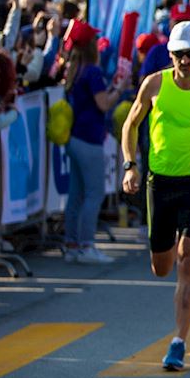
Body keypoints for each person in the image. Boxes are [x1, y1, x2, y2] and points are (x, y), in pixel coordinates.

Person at [119, 20, 190, 371]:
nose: (185, 61)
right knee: (161, 267)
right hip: (160, 182)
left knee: (188, 256)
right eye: (179, 55)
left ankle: (179, 341)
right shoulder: (154, 84)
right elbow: (131, 123)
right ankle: (177, 329)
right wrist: (130, 165)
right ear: (170, 54)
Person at [60, 22, 121, 264]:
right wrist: (120, 89)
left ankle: (73, 245)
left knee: (76, 194)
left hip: (75, 138)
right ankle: (86, 245)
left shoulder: (75, 69)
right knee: (94, 193)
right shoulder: (92, 72)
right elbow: (104, 104)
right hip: (89, 139)